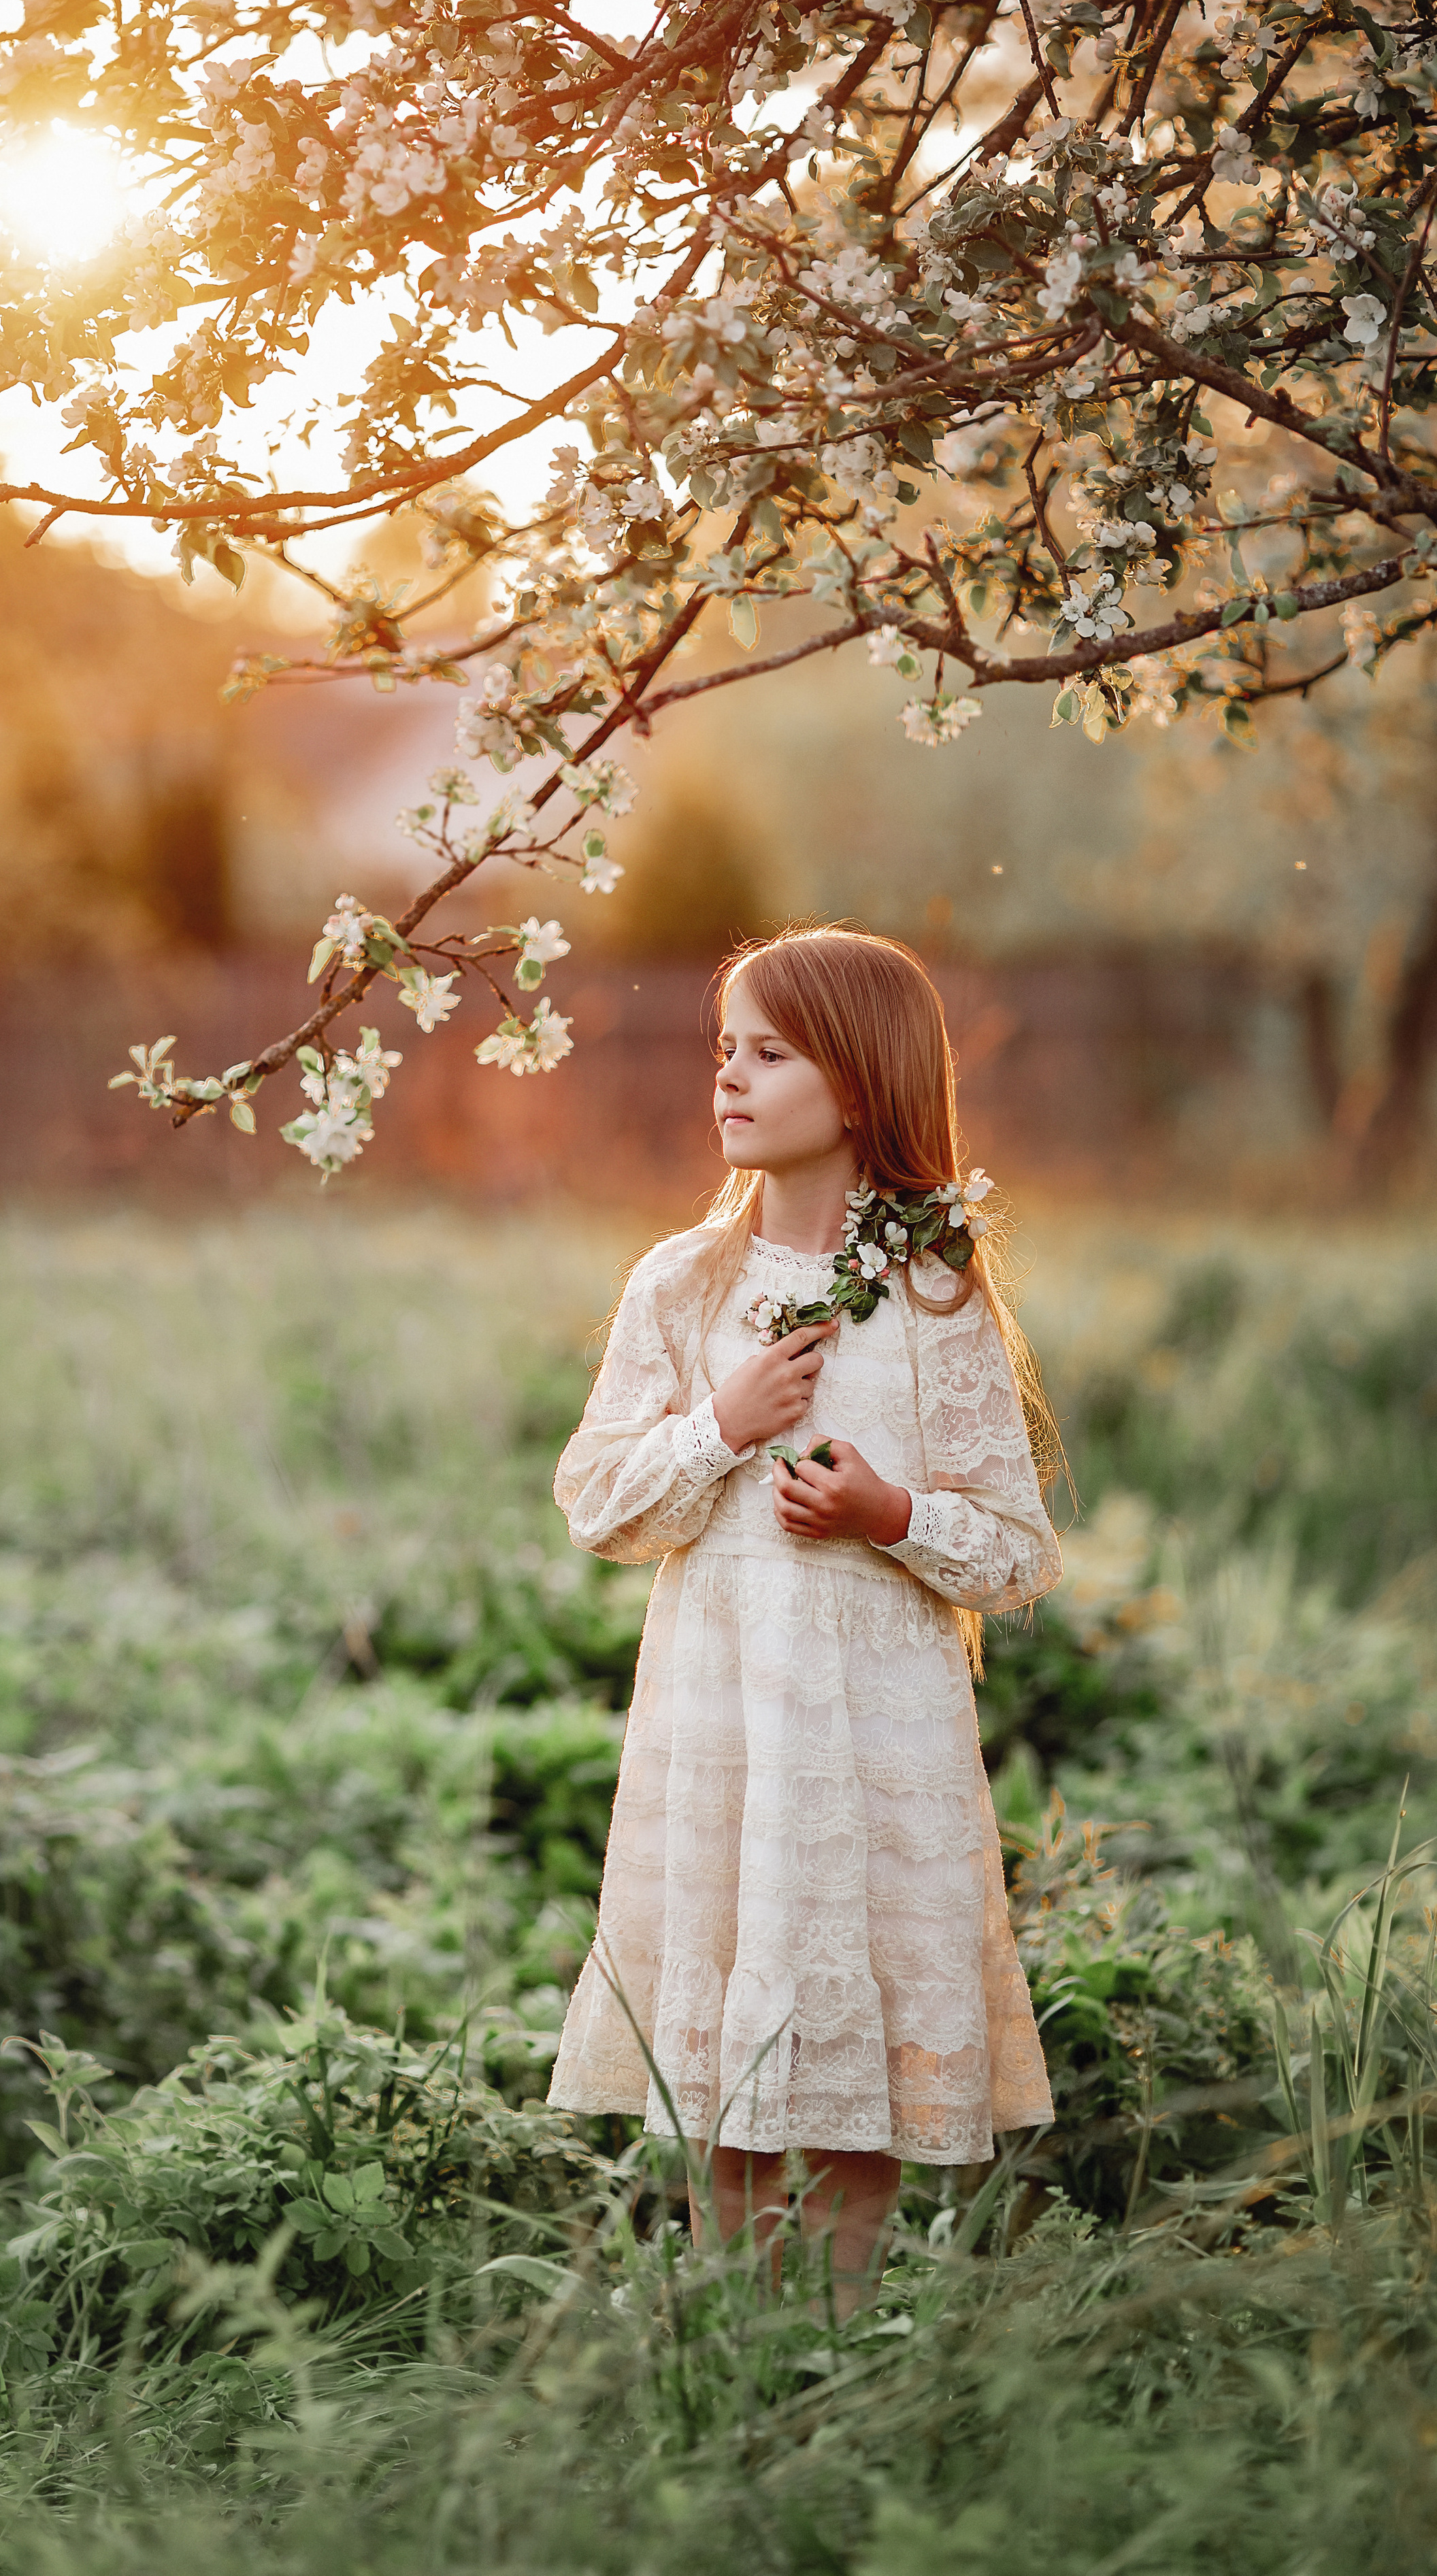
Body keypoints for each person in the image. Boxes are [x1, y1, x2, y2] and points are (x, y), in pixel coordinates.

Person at [546, 925, 1063, 2315]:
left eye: (769, 1053)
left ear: (858, 1084)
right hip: (723, 1733)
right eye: (726, 1047)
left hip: (868, 1751)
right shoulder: (682, 1285)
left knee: (846, 2088)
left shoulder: (931, 1297)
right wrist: (718, 1426)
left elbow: (1015, 1553)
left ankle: (828, 2361)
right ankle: (734, 2365)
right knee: (727, 2077)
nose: (728, 1074)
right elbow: (597, 1502)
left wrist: (886, 1514)